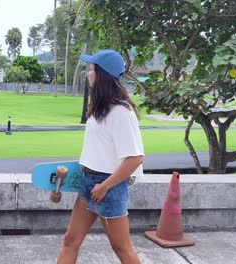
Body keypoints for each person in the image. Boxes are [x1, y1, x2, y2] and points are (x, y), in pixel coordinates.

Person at [57, 49, 144, 264]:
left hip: (109, 187)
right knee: (71, 240)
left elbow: (135, 158)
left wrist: (104, 186)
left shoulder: (122, 112)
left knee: (123, 249)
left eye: (92, 69)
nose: (88, 73)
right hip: (89, 183)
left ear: (102, 74)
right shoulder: (99, 108)